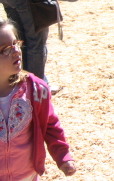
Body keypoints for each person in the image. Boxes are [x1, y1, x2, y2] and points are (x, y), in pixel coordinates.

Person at [0, 17, 76, 179]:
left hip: (26, 175)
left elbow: (50, 125)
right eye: (5, 49)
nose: (15, 51)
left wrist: (62, 156)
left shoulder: (35, 89)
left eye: (15, 43)